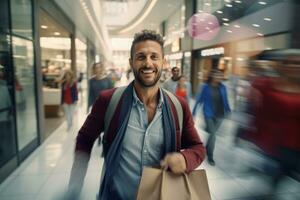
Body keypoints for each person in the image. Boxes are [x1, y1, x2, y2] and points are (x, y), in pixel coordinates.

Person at [67, 30, 205, 200]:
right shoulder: (109, 101)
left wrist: (185, 159)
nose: (148, 63)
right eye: (141, 57)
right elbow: (84, 139)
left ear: (163, 62)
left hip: (162, 195)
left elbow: (198, 148)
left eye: (154, 57)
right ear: (131, 63)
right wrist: (75, 184)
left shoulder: (178, 106)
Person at [192, 69, 231, 166]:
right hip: (208, 114)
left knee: (212, 135)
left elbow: (225, 100)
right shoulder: (205, 87)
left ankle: (205, 148)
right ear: (212, 76)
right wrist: (194, 113)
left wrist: (228, 110)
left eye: (219, 75)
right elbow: (199, 99)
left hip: (220, 114)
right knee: (213, 134)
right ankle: (210, 156)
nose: (218, 77)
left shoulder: (223, 87)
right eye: (216, 75)